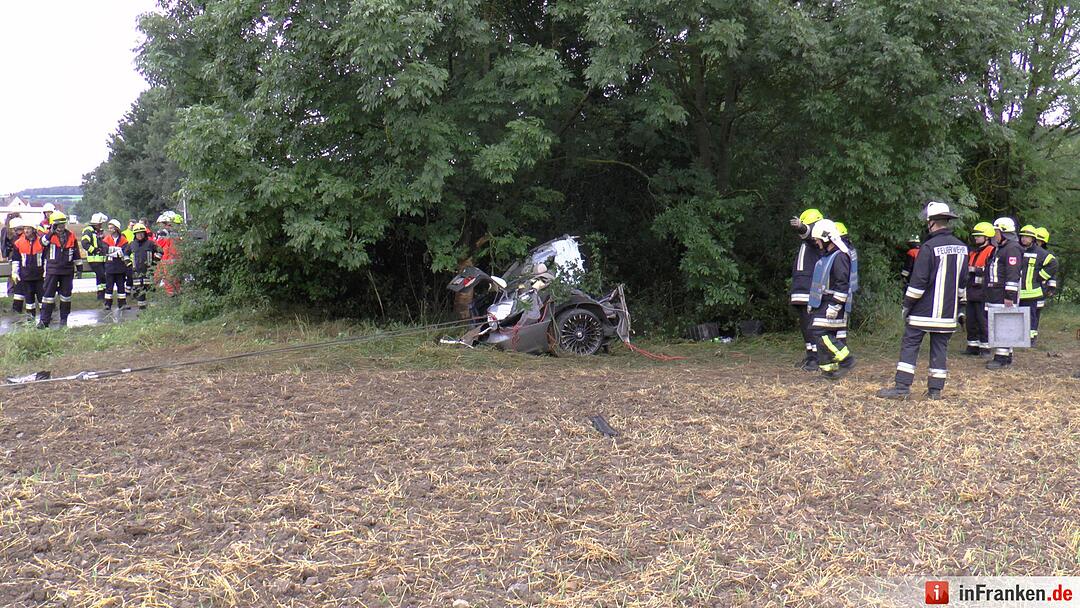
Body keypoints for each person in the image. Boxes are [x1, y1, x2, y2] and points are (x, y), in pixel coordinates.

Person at [877, 202, 968, 400]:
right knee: (940, 349)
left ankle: (902, 387)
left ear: (931, 222)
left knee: (910, 345)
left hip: (923, 312)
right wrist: (960, 307)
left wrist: (907, 305)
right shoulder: (962, 248)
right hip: (947, 313)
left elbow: (918, 283)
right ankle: (935, 391)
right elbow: (962, 283)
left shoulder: (928, 247)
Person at [806, 219, 855, 379]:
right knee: (821, 334)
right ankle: (829, 371)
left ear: (826, 238)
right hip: (823, 303)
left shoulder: (839, 257)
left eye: (818, 240)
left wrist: (835, 306)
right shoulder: (829, 256)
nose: (817, 243)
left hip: (832, 304)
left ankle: (846, 359)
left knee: (819, 332)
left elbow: (842, 284)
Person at [983, 217, 1024, 370]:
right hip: (995, 291)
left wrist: (1009, 296)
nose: (994, 235)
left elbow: (1012, 274)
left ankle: (1001, 357)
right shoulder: (1001, 248)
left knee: (1004, 323)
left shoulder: (1012, 249)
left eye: (996, 232)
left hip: (1003, 293)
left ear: (1004, 232)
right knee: (999, 322)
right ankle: (1007, 355)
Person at [789, 208, 825, 371]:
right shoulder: (807, 244)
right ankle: (811, 355)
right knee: (805, 325)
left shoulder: (816, 241)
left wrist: (802, 227)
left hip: (809, 288)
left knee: (811, 325)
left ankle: (817, 358)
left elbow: (808, 234)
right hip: (801, 288)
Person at [38, 211, 81, 328]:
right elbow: (42, 243)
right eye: (58, 224)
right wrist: (50, 232)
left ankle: (63, 320)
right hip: (52, 270)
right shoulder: (48, 236)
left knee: (66, 297)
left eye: (63, 224)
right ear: (53, 224)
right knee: (48, 297)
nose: (61, 226)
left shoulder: (71, 235)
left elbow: (76, 252)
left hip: (67, 271)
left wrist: (79, 268)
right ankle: (44, 321)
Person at [1018, 225, 1057, 345]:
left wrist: (1041, 277)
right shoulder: (1017, 249)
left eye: (1027, 237)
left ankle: (1031, 338)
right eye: (1023, 236)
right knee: (1019, 316)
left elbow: (1053, 264)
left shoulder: (1041, 253)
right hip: (1018, 291)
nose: (1024, 239)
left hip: (1033, 292)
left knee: (1032, 315)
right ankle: (1020, 336)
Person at [963, 222, 996, 356]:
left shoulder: (992, 251)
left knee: (983, 321)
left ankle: (985, 347)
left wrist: (975, 270)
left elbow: (991, 270)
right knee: (971, 320)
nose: (976, 238)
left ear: (987, 237)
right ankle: (972, 347)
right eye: (975, 235)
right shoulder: (973, 252)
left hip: (984, 291)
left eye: (978, 235)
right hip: (971, 290)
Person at [9, 218, 45, 321]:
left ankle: (45, 319)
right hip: (26, 276)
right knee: (29, 300)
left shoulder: (41, 242)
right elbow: (16, 260)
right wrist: (15, 273)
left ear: (33, 230)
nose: (26, 231)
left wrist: (46, 272)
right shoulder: (18, 243)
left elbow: (46, 259)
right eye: (25, 228)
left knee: (42, 299)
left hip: (40, 276)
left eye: (28, 228)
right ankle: (30, 319)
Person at [126, 223, 163, 310]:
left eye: (141, 233)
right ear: (135, 234)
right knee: (139, 291)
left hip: (148, 271)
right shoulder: (132, 244)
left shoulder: (150, 243)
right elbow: (125, 254)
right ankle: (142, 309)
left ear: (145, 233)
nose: (140, 235)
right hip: (136, 272)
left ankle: (153, 310)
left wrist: (154, 262)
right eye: (138, 233)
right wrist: (129, 264)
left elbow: (160, 251)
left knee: (151, 290)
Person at [102, 219, 130, 316]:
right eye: (109, 228)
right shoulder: (106, 239)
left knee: (121, 286)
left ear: (116, 229)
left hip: (120, 267)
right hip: (110, 267)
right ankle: (107, 304)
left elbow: (125, 251)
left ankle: (122, 303)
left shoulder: (123, 240)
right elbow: (105, 251)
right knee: (109, 287)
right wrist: (117, 251)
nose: (109, 230)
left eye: (111, 228)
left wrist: (113, 251)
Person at [81, 212, 109, 301]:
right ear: (96, 223)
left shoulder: (98, 231)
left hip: (101, 259)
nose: (101, 225)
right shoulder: (88, 231)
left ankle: (102, 296)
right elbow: (84, 243)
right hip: (94, 259)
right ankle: (101, 295)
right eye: (100, 224)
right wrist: (94, 250)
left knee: (101, 278)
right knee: (102, 275)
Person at [1035, 227, 1058, 297]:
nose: (1036, 243)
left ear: (1043, 242)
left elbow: (1052, 272)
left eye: (1039, 241)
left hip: (1042, 286)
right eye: (1036, 240)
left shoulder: (1047, 255)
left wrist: (1051, 288)